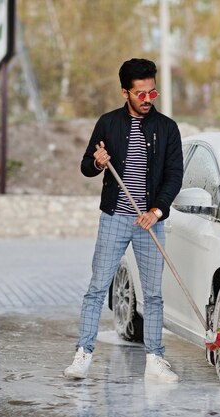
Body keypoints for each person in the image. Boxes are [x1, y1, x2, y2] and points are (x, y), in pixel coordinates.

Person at [64, 58, 183, 382]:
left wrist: (156, 210)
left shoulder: (167, 129)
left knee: (153, 294)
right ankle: (83, 354)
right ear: (125, 92)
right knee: (97, 287)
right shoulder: (108, 123)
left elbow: (174, 176)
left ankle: (155, 360)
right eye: (140, 93)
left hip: (150, 220)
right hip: (115, 217)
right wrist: (98, 162)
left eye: (152, 92)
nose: (147, 99)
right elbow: (87, 165)